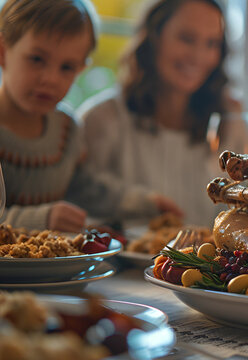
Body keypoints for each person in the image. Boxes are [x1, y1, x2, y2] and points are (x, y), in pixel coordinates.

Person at [0, 0, 180, 232]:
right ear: (3, 53)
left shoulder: (67, 129)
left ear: (81, 69)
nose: (51, 79)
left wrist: (143, 201)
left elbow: (84, 188)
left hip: (56, 267)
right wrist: (41, 219)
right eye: (37, 59)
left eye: (66, 67)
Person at [78, 0, 248, 227]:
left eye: (212, 43)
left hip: (207, 260)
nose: (199, 56)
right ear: (153, 38)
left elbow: (246, 208)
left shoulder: (230, 121)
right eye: (187, 39)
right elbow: (81, 204)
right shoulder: (102, 118)